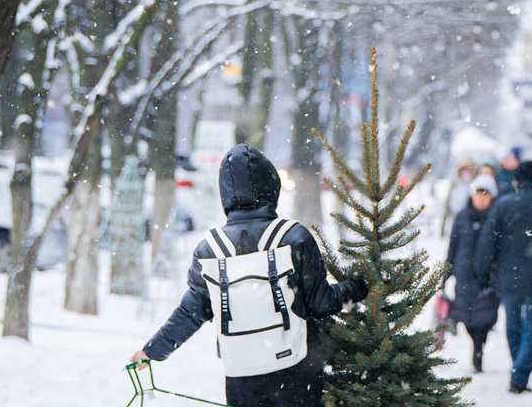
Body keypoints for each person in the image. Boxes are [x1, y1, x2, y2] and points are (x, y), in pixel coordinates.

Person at [129, 144, 368, 407]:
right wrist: (361, 285)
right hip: (296, 370)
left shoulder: (210, 250)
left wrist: (153, 351)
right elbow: (322, 303)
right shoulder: (293, 237)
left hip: (241, 377)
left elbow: (190, 313)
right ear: (271, 186)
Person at [475, 160, 532, 393]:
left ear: (515, 180)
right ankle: (521, 372)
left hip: (507, 278)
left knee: (513, 324)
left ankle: (518, 369)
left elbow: (487, 243)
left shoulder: (502, 206)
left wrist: (484, 272)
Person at [445, 174, 500, 373]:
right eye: (478, 194)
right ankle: (476, 348)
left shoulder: (496, 217)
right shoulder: (462, 216)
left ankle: (479, 350)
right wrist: (446, 271)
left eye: (486, 195)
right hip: (465, 275)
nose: (481, 198)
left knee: (485, 319)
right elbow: (453, 245)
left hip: (487, 278)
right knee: (467, 318)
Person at [441, 160, 476, 237]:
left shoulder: (473, 184)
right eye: (464, 170)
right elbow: (449, 199)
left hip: (466, 213)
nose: (466, 173)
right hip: (453, 211)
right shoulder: (455, 183)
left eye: (468, 170)